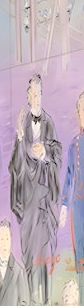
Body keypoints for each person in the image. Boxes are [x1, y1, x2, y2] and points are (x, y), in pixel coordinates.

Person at [10, 74, 61, 306]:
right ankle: (30, 298)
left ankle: (47, 298)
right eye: (32, 93)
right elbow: (15, 165)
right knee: (29, 246)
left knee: (46, 246)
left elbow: (57, 153)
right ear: (27, 96)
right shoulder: (23, 124)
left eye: (39, 93)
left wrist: (44, 154)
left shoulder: (49, 122)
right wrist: (21, 137)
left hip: (44, 195)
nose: (36, 97)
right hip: (28, 197)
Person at [62, 90, 84, 290]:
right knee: (81, 258)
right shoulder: (74, 145)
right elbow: (68, 178)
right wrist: (63, 205)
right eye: (82, 109)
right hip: (78, 207)